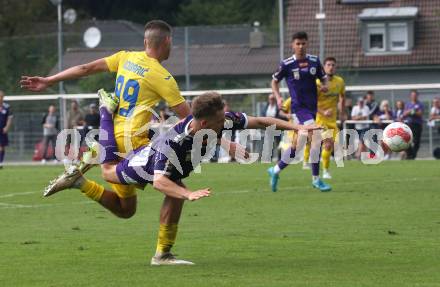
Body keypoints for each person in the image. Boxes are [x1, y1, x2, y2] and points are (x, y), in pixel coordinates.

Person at [20, 20, 241, 265]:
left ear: (145, 42)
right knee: (171, 188)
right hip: (133, 142)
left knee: (127, 208)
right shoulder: (163, 77)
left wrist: (48, 81)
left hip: (111, 135)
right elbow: (194, 120)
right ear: (167, 42)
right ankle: (162, 254)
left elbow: (85, 68)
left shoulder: (126, 58)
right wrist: (223, 140)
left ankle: (84, 175)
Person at [43, 92, 318, 264]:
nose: (228, 121)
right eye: (222, 120)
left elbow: (258, 121)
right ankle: (105, 110)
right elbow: (161, 182)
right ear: (205, 123)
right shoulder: (173, 143)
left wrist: (297, 126)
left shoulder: (214, 122)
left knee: (130, 209)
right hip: (145, 165)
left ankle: (162, 254)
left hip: (162, 161)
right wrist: (187, 194)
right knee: (108, 171)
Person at [268, 31, 331, 192]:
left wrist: (326, 85)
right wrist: (279, 98)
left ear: (307, 44)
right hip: (298, 109)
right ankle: (316, 179)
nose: (301, 46)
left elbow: (324, 78)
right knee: (316, 138)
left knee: (297, 146)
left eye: (303, 43)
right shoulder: (287, 64)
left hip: (312, 109)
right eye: (298, 43)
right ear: (293, 45)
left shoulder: (314, 61)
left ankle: (275, 171)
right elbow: (274, 82)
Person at [303, 57, 345, 179]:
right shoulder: (317, 83)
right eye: (328, 65)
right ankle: (324, 171)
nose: (331, 67)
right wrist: (322, 111)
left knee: (330, 146)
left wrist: (342, 113)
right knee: (327, 144)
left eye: (333, 65)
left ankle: (321, 166)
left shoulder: (340, 82)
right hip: (320, 119)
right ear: (324, 67)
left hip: (333, 120)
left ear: (335, 67)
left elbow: (342, 97)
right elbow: (311, 102)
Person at [262, 94, 284, 160]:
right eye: (270, 99)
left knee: (278, 143)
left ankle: (279, 158)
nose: (271, 100)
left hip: (276, 128)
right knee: (269, 144)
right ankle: (269, 158)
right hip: (268, 128)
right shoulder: (266, 107)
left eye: (273, 99)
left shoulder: (277, 107)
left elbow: (280, 116)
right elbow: (263, 115)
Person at [403, 90, 424, 159]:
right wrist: (409, 111)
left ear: (417, 96)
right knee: (406, 140)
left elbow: (420, 113)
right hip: (409, 124)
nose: (414, 97)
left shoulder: (420, 104)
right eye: (412, 95)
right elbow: (404, 114)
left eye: (415, 95)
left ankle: (413, 156)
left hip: (417, 124)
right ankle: (410, 154)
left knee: (416, 141)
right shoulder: (408, 104)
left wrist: (413, 112)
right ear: (410, 96)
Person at [0, 91, 13, 169]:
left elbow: (10, 118)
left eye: (1, 96)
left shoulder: (7, 107)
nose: (0, 98)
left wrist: (7, 127)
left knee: (2, 147)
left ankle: (1, 162)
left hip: (2, 130)